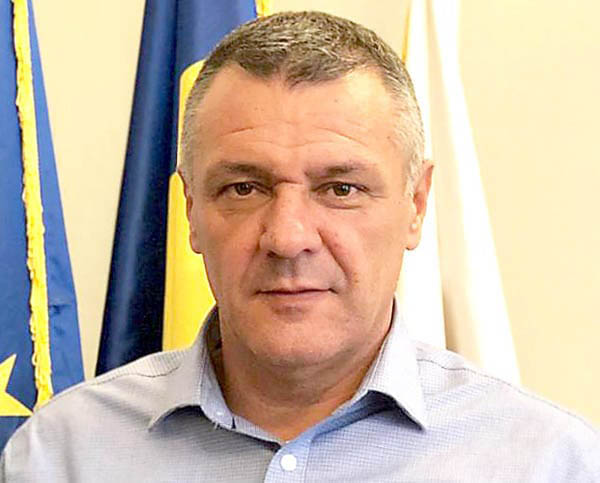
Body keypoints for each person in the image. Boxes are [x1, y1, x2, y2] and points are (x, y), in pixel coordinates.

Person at [1, 11, 598, 482]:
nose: (287, 238)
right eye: (244, 188)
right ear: (190, 211)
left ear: (416, 204)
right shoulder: (61, 456)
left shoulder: (549, 464)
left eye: (340, 189)